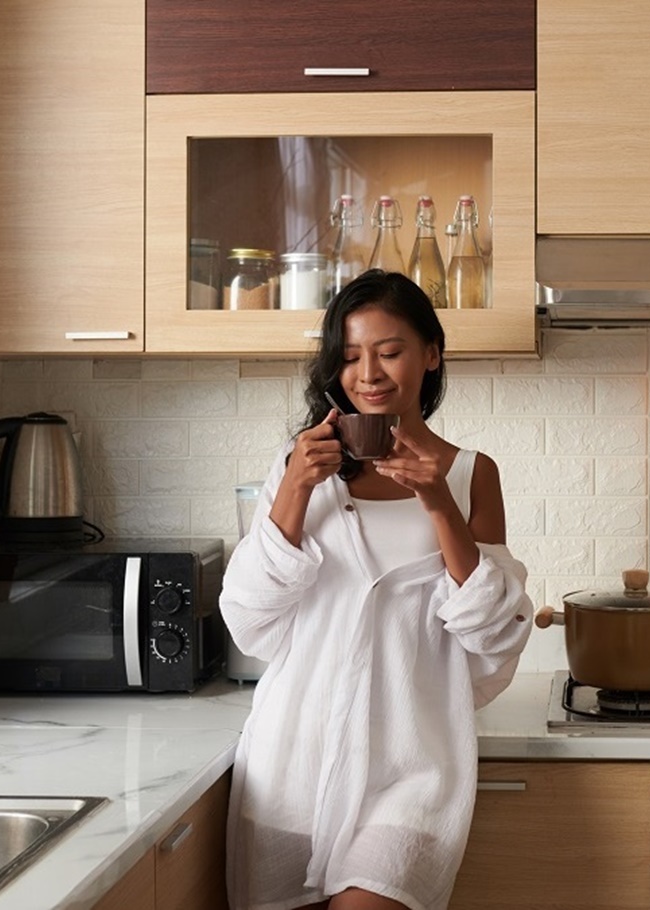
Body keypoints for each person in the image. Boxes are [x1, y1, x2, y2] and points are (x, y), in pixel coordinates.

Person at [220, 270, 534, 910]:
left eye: (389, 352)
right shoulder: (298, 465)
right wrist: (295, 489)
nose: (369, 373)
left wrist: (437, 500)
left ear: (431, 354)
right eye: (350, 356)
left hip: (412, 765)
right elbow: (249, 620)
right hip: (293, 758)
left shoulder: (471, 474)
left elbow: (497, 635)